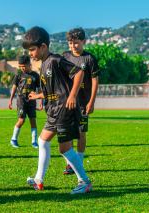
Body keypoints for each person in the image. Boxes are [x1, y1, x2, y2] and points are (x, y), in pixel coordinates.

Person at [23, 26, 92, 194]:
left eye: (32, 50)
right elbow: (52, 91)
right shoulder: (44, 65)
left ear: (43, 46)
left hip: (64, 109)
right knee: (42, 141)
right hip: (54, 111)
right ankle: (39, 180)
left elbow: (78, 73)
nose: (30, 54)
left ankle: (84, 182)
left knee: (64, 149)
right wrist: (38, 96)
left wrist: (72, 96)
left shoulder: (55, 59)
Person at [62, 28, 100, 174]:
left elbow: (95, 81)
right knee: (69, 133)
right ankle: (70, 164)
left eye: (76, 43)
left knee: (81, 133)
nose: (72, 46)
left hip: (83, 103)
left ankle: (80, 160)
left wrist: (92, 101)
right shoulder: (65, 56)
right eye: (70, 43)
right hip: (68, 102)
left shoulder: (89, 59)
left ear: (84, 42)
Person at [8, 55, 43, 148]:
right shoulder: (18, 75)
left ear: (29, 64)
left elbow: (39, 89)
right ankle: (14, 139)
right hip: (21, 101)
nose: (22, 68)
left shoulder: (35, 75)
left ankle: (34, 142)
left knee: (33, 121)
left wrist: (41, 101)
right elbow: (14, 88)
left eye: (23, 66)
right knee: (21, 120)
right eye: (20, 66)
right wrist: (10, 100)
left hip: (32, 101)